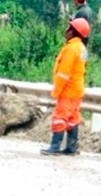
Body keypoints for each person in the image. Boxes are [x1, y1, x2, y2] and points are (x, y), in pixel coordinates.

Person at [42, 17, 90, 155]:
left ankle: (55, 147)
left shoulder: (71, 49)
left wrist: (56, 91)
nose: (66, 30)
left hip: (68, 90)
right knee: (73, 118)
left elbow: (64, 73)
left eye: (69, 28)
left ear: (73, 32)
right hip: (77, 89)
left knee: (60, 117)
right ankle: (71, 147)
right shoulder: (81, 48)